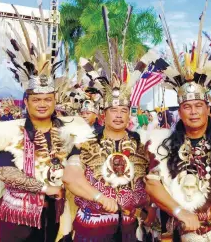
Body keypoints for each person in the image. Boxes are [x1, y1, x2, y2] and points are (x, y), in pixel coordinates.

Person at [144, 24, 211, 241]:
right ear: (180, 111)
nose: (193, 112)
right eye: (187, 107)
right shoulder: (164, 145)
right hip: (183, 233)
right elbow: (152, 183)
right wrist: (179, 211)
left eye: (198, 106)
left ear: (207, 109)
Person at [0, 4, 91, 242]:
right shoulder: (9, 131)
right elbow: (6, 171)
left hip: (58, 215)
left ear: (55, 100)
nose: (42, 104)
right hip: (19, 218)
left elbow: (79, 164)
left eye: (47, 99)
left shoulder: (70, 131)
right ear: (26, 102)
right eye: (36, 99)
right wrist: (44, 188)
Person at [62, 35, 159, 241]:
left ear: (128, 113)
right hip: (92, 227)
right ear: (103, 113)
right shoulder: (85, 142)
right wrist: (99, 197)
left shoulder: (142, 144)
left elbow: (153, 179)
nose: (118, 115)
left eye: (123, 110)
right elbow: (70, 178)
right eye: (113, 110)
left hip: (129, 227)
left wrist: (150, 206)